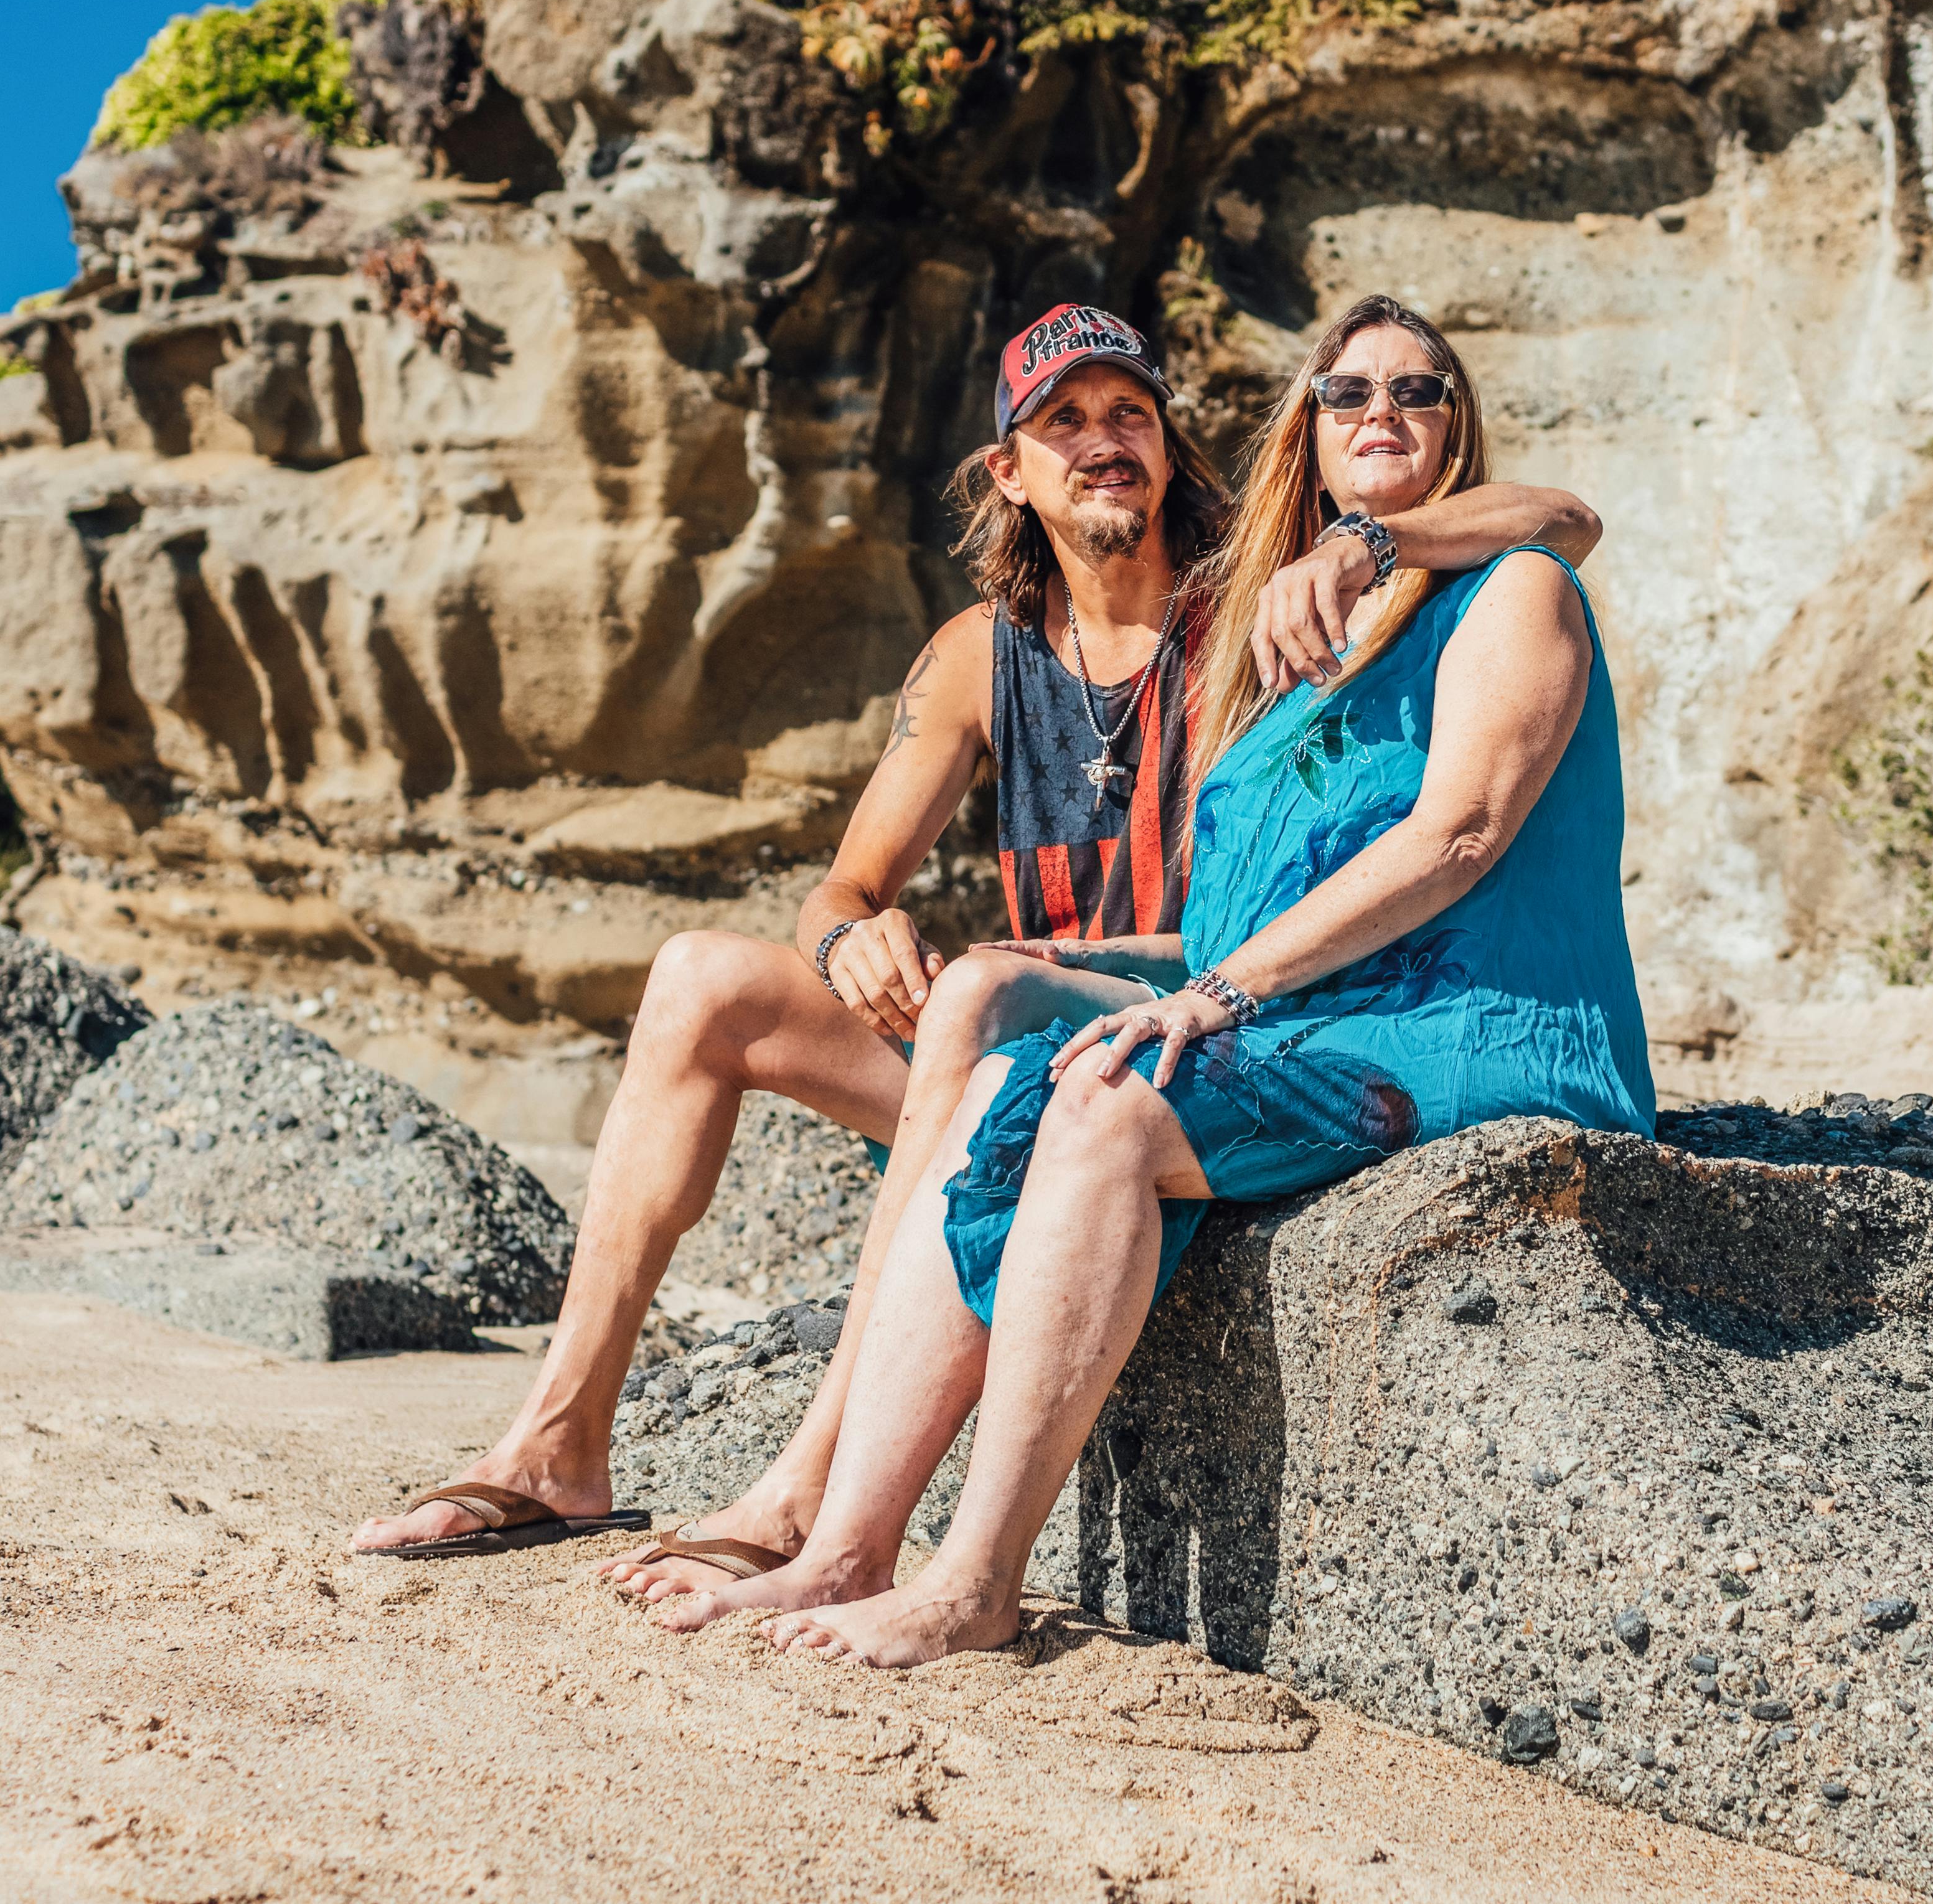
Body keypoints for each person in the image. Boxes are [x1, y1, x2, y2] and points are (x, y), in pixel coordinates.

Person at [348, 301, 1599, 1564]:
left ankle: (815, 1482)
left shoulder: (1263, 605)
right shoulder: (974, 658)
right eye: (1064, 423)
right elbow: (841, 887)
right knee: (697, 981)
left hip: (1193, 1030)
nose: (1104, 443)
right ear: (1010, 469)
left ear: (1170, 449)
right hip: (1017, 1036)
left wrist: (1364, 545)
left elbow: (1553, 522)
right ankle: (556, 1445)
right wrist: (852, 942)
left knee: (987, 985)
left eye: (1131, 416)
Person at [641, 293, 1655, 1664]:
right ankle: (843, 1549)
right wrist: (1096, 976)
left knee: (1110, 1105)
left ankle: (973, 1579)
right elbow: (1228, 913)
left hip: (1482, 1026)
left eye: (1421, 394)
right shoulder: (1285, 643)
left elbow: (1462, 824)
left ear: (1456, 426)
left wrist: (1224, 993)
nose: (1384, 415)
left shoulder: (1507, 588)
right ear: (1306, 421)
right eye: (1348, 394)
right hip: (1335, 1020)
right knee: (1017, 1076)